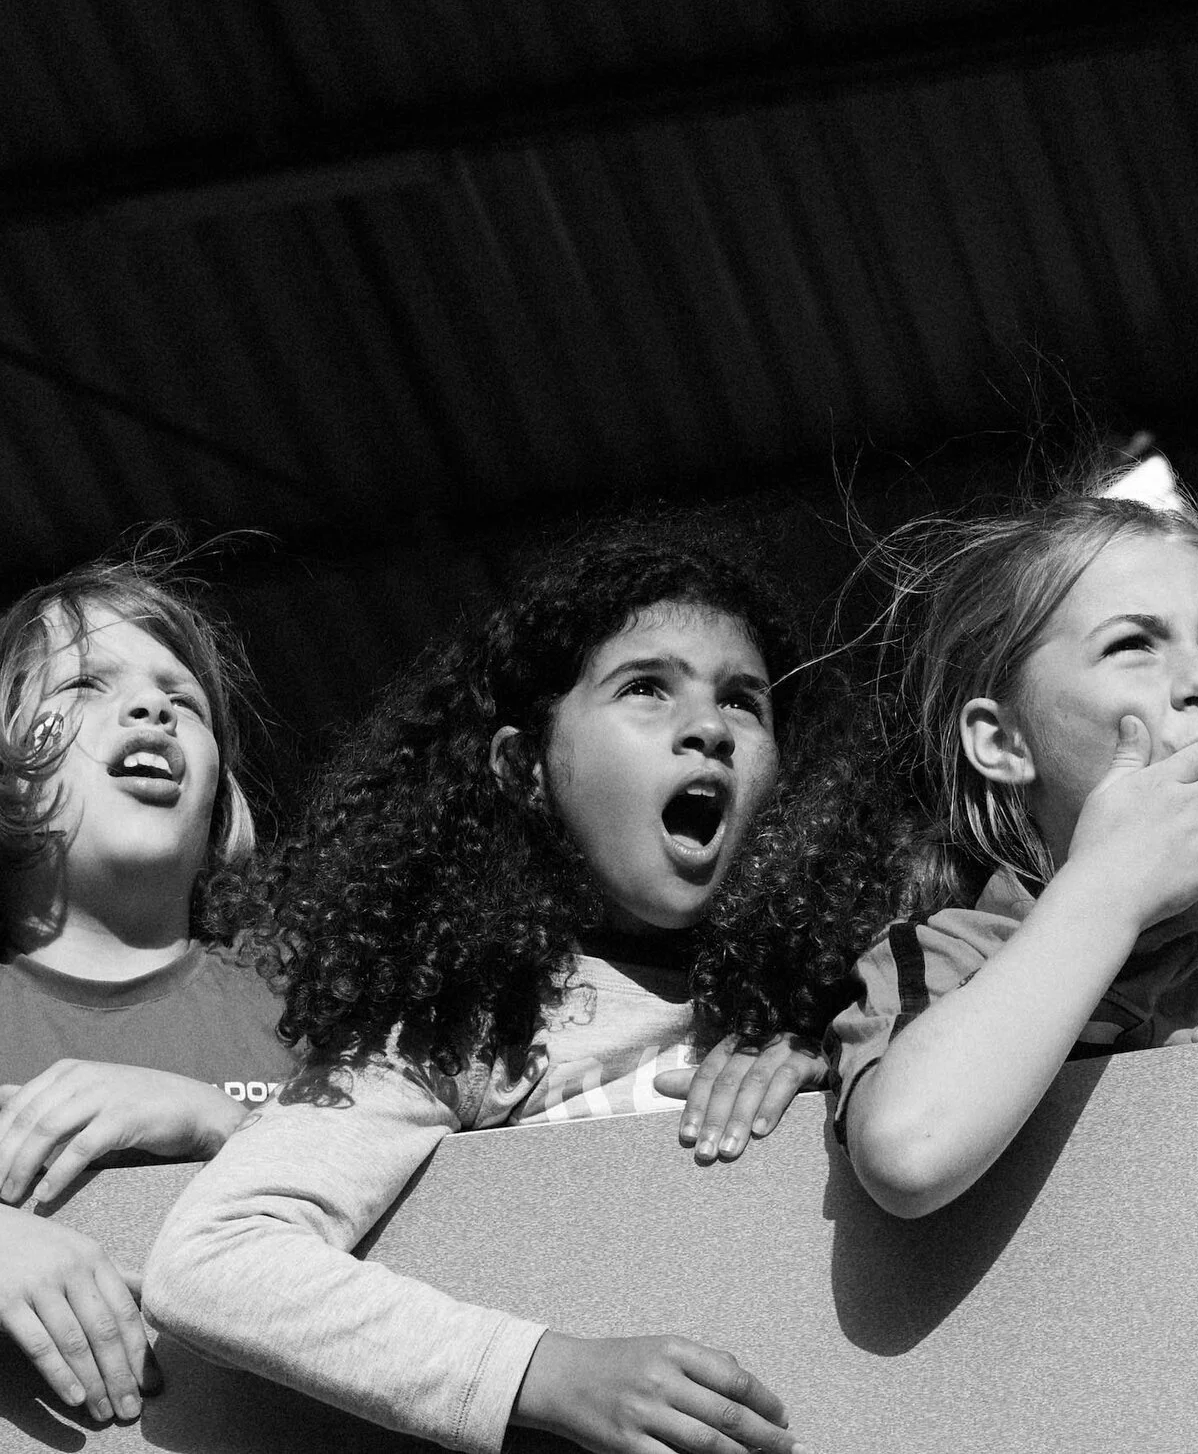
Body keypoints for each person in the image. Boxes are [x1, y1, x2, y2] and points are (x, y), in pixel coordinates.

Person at [146, 512, 837, 1454]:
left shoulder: (841, 1004)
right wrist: (541, 1374)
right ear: (525, 769)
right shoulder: (465, 1026)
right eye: (646, 689)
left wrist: (833, 1059)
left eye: (745, 702)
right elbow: (216, 1258)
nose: (709, 729)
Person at [829, 476, 1198, 1221]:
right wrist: (1111, 887)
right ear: (1002, 742)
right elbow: (909, 1152)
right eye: (1133, 644)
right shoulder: (945, 960)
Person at [0, 554, 293, 1451]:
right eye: (89, 683)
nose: (153, 709)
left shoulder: (301, 1008)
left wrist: (227, 1130)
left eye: (187, 699)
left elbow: (439, 1234)